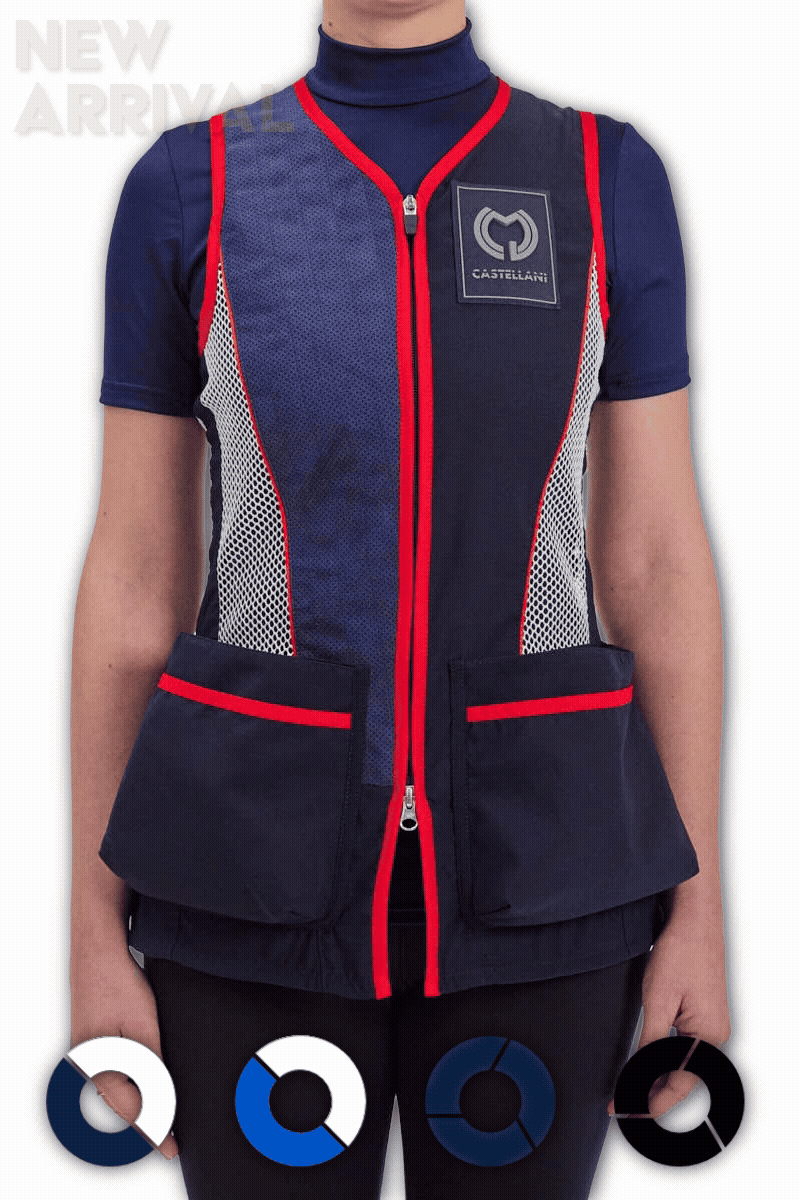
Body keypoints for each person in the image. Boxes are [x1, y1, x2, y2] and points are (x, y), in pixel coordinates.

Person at [69, 1, 731, 1196]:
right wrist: (89, 931)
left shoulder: (599, 179)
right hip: (244, 893)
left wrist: (696, 911)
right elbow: (134, 576)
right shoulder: (192, 185)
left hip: (548, 887)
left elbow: (652, 565)